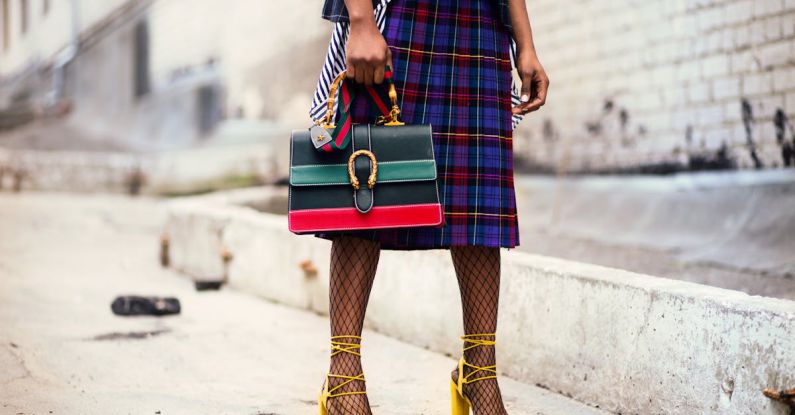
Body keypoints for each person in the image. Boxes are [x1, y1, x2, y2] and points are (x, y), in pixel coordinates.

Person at [311, 0, 549, 413]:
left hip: (479, 25)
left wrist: (525, 43)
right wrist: (362, 20)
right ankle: (343, 377)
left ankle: (479, 373)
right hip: (399, 17)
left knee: (477, 204)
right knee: (366, 186)